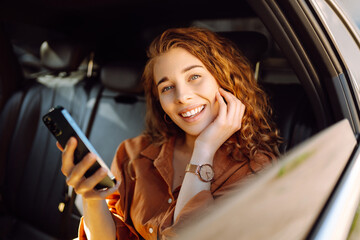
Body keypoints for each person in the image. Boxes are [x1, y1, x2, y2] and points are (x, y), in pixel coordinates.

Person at [58, 27, 281, 240]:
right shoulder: (133, 152)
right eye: (166, 88)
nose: (182, 96)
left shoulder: (254, 168)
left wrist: (204, 149)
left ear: (223, 79)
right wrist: (92, 199)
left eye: (194, 77)